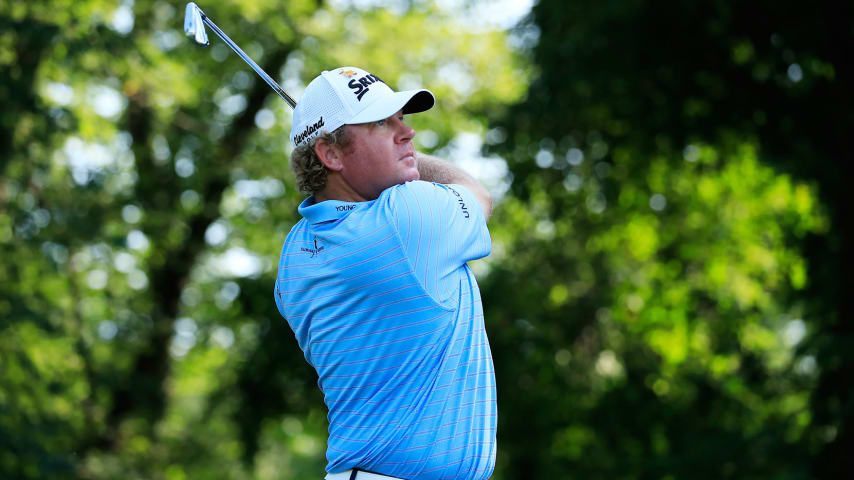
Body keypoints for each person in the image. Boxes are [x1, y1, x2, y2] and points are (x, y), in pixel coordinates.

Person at [274, 66, 496, 480]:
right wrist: (415, 162)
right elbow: (478, 195)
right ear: (331, 154)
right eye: (381, 122)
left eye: (401, 118)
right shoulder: (407, 218)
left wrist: (382, 154)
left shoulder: (294, 255)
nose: (407, 132)